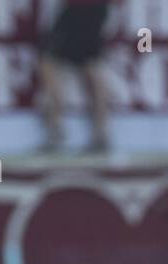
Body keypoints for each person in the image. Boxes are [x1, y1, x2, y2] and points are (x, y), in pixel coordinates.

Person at [38, 0, 113, 153]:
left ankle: (57, 129)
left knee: (53, 61)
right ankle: (99, 133)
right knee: (90, 66)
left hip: (81, 9)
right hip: (86, 8)